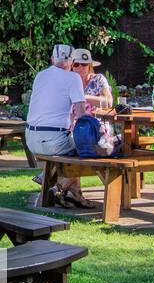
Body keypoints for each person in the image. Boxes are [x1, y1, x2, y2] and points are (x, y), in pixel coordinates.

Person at [25, 44, 93, 209]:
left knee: (75, 147)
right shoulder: (73, 78)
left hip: (30, 139)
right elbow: (82, 114)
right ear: (71, 62)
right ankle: (58, 188)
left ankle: (76, 195)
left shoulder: (40, 76)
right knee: (89, 149)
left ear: (52, 59)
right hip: (53, 141)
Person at [70, 48, 114, 113]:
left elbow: (109, 102)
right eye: (76, 64)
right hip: (72, 121)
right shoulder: (68, 82)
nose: (80, 67)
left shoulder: (98, 79)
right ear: (72, 67)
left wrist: (84, 97)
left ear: (89, 66)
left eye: (84, 64)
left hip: (95, 121)